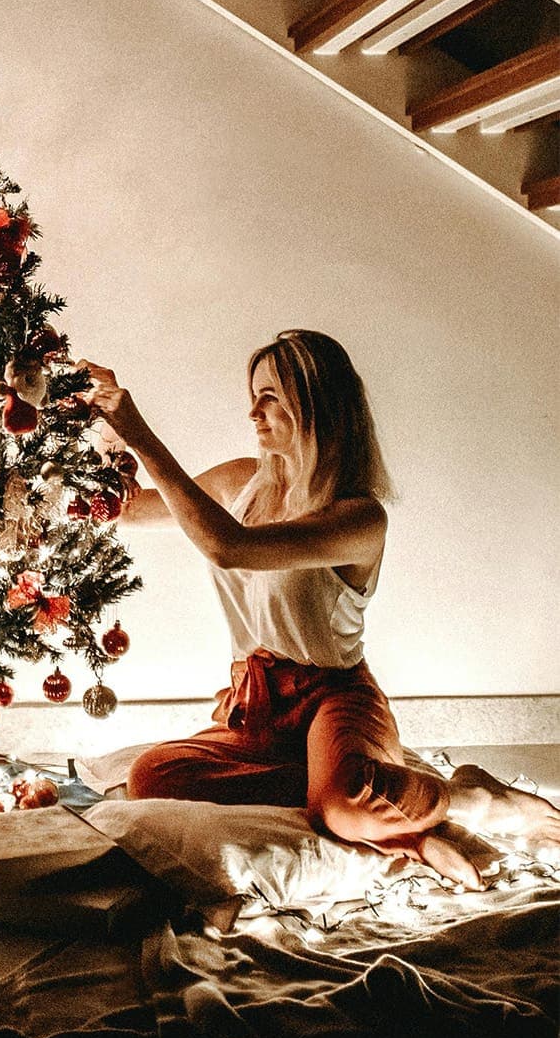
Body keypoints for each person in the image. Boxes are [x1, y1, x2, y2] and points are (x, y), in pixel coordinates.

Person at [81, 330, 560, 889]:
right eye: (254, 395)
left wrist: (141, 434)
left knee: (344, 807)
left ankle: (467, 797)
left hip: (334, 696)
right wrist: (101, 427)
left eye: (270, 398)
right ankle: (389, 812)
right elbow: (128, 512)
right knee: (153, 775)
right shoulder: (242, 480)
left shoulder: (358, 518)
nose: (252, 411)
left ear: (316, 405)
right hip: (258, 700)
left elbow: (230, 548)